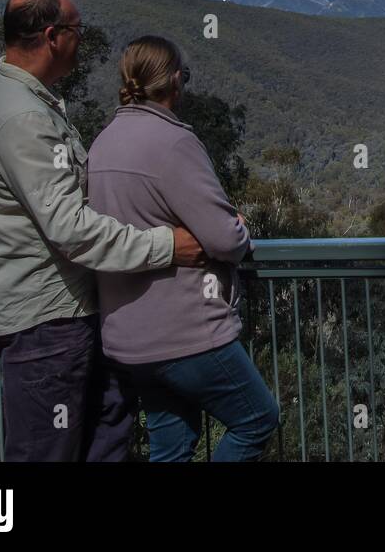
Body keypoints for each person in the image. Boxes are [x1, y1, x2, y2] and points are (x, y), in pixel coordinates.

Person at [0, 0, 207, 462]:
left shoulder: (10, 98)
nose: (81, 41)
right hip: (45, 319)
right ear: (53, 36)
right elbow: (70, 228)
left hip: (56, 314)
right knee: (48, 449)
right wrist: (167, 246)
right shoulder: (23, 118)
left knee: (105, 428)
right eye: (77, 31)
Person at [89, 35, 279, 461]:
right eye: (185, 76)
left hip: (128, 339)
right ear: (175, 80)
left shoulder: (103, 143)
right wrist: (238, 229)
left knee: (170, 448)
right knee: (257, 418)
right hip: (185, 335)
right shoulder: (174, 143)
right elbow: (224, 240)